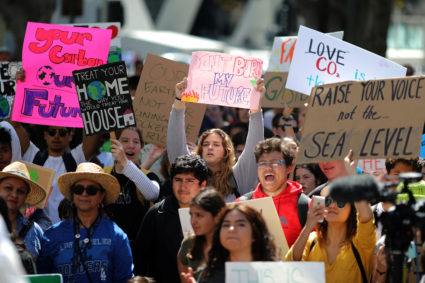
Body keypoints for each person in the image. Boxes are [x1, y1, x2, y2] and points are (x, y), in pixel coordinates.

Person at [167, 77, 265, 201]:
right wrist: (179, 101)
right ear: (200, 150)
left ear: (226, 152)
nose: (210, 147)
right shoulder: (189, 172)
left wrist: (255, 107)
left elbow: (254, 147)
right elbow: (175, 143)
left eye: (216, 144)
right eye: (206, 144)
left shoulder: (238, 176)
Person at [37, 162, 133, 283]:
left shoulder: (117, 236)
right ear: (73, 194)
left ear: (101, 196)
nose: (84, 193)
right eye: (78, 189)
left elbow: (125, 279)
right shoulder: (52, 235)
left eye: (91, 190)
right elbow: (43, 278)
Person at [286, 175, 376, 283]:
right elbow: (290, 264)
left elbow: (366, 217)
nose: (332, 205)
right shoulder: (312, 240)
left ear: (351, 210)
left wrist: (352, 175)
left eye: (341, 202)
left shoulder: (360, 242)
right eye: (328, 201)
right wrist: (309, 224)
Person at [134, 154, 208, 283]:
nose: (182, 187)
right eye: (178, 180)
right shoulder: (156, 213)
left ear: (202, 185)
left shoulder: (213, 215)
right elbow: (139, 259)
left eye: (190, 181)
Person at [13, 121, 103, 224]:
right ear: (45, 135)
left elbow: (97, 128)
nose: (56, 136)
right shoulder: (33, 156)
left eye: (62, 132)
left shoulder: (76, 158)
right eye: (52, 132)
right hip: (38, 230)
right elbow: (14, 124)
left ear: (70, 135)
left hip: (69, 229)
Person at [236, 137, 309, 247]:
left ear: (289, 167)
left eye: (275, 163)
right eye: (262, 163)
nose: (268, 168)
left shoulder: (305, 206)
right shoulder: (242, 205)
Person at [182, 203, 276, 283]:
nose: (231, 230)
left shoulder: (275, 274)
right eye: (226, 225)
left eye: (240, 224)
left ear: (255, 233)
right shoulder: (209, 274)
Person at [104, 127, 160, 251]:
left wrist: (124, 161)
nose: (131, 146)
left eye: (136, 142)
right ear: (114, 144)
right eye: (125, 141)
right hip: (107, 248)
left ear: (141, 147)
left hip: (137, 249)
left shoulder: (149, 176)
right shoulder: (103, 174)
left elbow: (152, 194)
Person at [177, 188, 226, 281]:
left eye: (199, 215)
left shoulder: (232, 244)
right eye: (191, 215)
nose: (193, 221)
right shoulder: (189, 243)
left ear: (217, 216)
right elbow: (183, 267)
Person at [0, 161, 46, 260]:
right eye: (8, 188)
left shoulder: (34, 230)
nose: (14, 195)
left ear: (25, 197)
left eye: (20, 191)